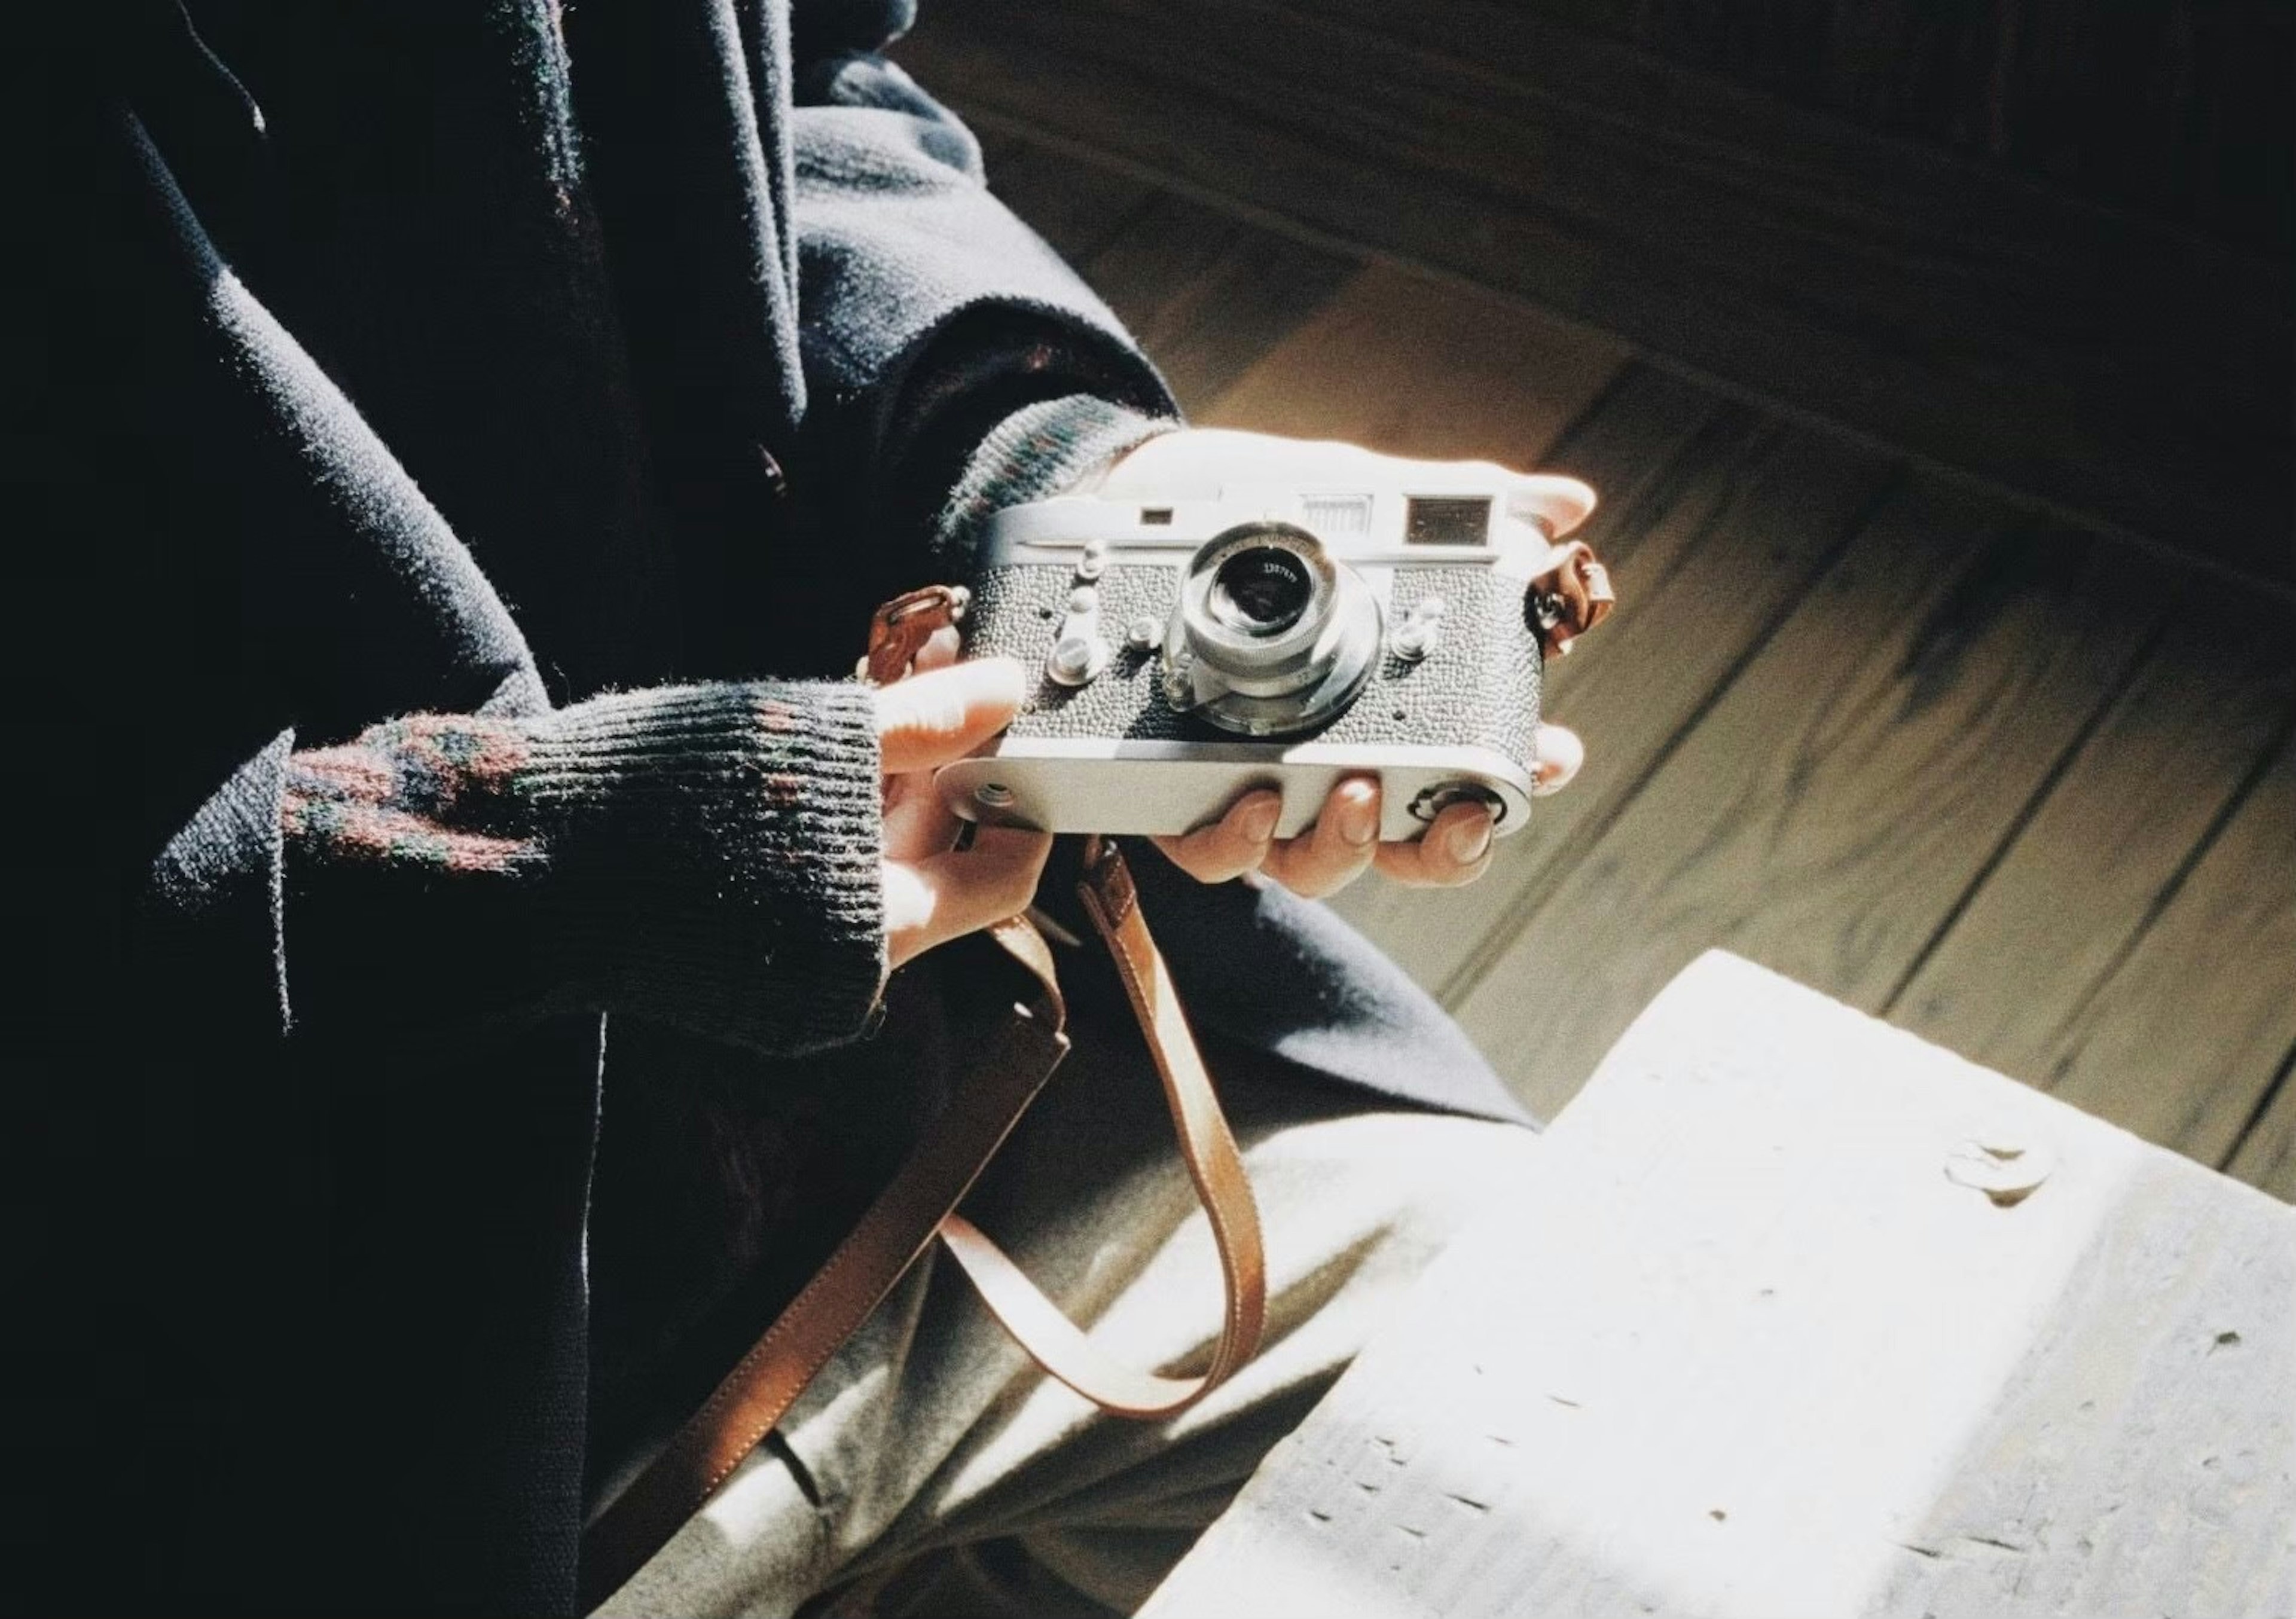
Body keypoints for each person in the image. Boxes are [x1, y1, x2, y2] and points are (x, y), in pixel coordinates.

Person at [27, 1, 1584, 1612]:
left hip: (972, 1103)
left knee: (1607, 1414)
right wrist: (541, 867)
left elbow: (814, 98)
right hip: (320, 1432)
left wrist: (1041, 455)